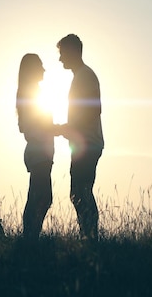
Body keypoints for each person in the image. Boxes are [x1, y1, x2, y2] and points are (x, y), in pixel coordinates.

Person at [56, 34, 104, 240]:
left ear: (73, 51)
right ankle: (88, 235)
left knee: (80, 192)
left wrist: (71, 128)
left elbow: (95, 109)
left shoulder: (85, 75)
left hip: (87, 144)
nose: (60, 59)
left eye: (62, 53)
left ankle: (90, 236)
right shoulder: (81, 76)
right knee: (80, 192)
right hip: (82, 143)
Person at [16, 53, 55, 241]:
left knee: (40, 196)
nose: (44, 69)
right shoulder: (31, 93)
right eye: (40, 66)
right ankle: (30, 238)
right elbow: (31, 126)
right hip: (39, 151)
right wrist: (58, 129)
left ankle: (30, 238)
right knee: (41, 197)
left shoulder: (31, 92)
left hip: (41, 152)